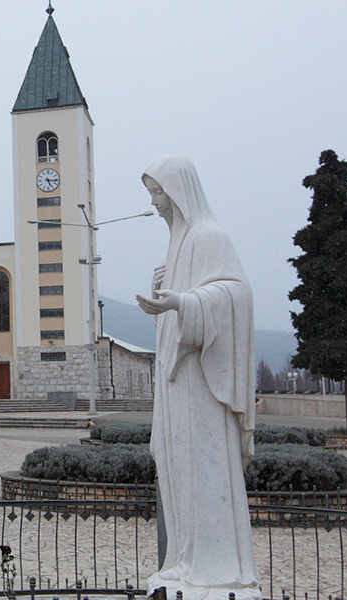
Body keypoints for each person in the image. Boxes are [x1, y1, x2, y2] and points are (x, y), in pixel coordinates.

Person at [135, 156, 261, 600]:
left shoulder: (210, 237)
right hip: (176, 386)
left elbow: (236, 296)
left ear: (180, 191)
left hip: (203, 389)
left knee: (204, 475)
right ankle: (186, 561)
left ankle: (217, 569)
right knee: (177, 471)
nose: (154, 203)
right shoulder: (177, 245)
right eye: (150, 194)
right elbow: (182, 310)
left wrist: (183, 303)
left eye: (158, 192)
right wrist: (168, 304)